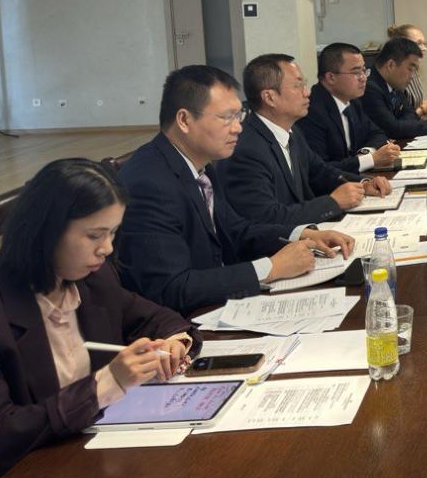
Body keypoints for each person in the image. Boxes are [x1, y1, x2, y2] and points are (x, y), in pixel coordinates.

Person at [0, 159, 197, 478]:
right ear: (46, 231)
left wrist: (174, 344)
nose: (107, 249)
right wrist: (104, 384)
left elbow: (161, 319)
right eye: (94, 235)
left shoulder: (94, 282)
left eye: (112, 233)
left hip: (97, 463)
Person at [118, 65, 354, 314]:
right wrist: (270, 268)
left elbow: (236, 230)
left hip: (219, 303)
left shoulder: (201, 165)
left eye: (239, 115)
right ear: (184, 120)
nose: (238, 127)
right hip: (184, 324)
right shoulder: (150, 183)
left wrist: (301, 234)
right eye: (226, 117)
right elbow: (171, 288)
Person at [222, 54, 392, 229]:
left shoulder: (292, 131)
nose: (307, 92)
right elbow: (267, 217)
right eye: (298, 86)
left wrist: (363, 184)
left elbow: (320, 172)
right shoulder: (246, 150)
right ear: (270, 97)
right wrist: (333, 202)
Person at [298, 43, 402, 174]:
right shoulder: (312, 111)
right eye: (356, 72)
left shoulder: (352, 102)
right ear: (331, 77)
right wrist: (370, 160)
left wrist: (366, 152)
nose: (363, 78)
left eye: (364, 71)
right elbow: (320, 169)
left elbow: (377, 133)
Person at [364, 37, 427, 140]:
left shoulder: (393, 84)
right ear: (391, 65)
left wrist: (402, 124)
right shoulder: (370, 88)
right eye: (410, 69)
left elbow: (410, 114)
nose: (413, 75)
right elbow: (393, 129)